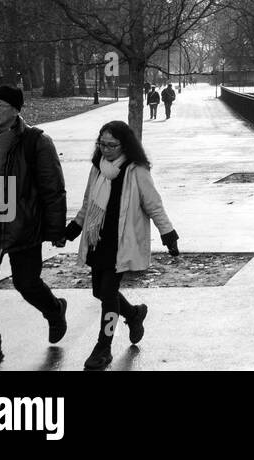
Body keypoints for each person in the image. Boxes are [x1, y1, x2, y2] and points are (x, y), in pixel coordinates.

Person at [0, 85, 68, 371]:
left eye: (0, 106)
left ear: (16, 110)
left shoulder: (37, 142)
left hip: (22, 225)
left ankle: (55, 310)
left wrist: (55, 231)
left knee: (26, 283)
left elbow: (53, 188)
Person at [65, 120, 178, 371]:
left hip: (121, 244)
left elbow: (154, 204)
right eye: (101, 144)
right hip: (97, 241)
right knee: (101, 293)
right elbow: (88, 204)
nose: (105, 149)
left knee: (107, 296)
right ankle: (134, 314)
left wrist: (168, 234)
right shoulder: (97, 169)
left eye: (111, 145)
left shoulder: (136, 170)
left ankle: (103, 346)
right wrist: (72, 230)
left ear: (124, 144)